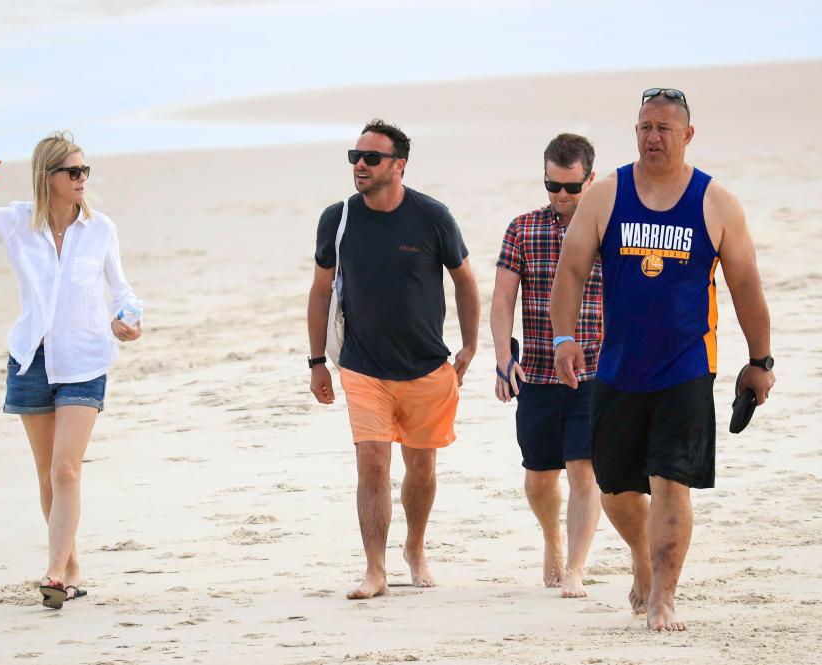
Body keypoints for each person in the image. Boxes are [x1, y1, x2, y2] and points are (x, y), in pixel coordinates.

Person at [550, 89, 775, 630]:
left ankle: (662, 599)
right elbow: (572, 269)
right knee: (616, 491)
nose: (653, 136)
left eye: (665, 129)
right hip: (619, 368)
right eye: (645, 126)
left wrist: (760, 360)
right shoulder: (606, 195)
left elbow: (745, 284)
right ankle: (643, 554)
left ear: (687, 135)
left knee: (672, 480)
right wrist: (563, 339)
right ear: (635, 131)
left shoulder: (714, 202)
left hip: (688, 367)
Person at [0, 132, 143, 609]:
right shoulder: (15, 222)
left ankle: (52, 572)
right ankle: (70, 567)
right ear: (46, 178)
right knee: (47, 473)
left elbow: (123, 292)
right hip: (31, 360)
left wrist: (130, 322)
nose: (82, 180)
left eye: (85, 171)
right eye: (73, 172)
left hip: (85, 360)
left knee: (66, 469)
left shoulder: (100, 229)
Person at [307, 119, 480, 600]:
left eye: (371, 158)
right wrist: (317, 360)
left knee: (421, 469)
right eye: (354, 157)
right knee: (373, 463)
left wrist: (469, 345)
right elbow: (321, 290)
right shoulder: (337, 219)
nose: (359, 165)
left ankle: (416, 550)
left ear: (398, 165)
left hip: (427, 365)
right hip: (363, 366)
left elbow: (465, 280)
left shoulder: (432, 217)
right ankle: (375, 569)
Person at [491, 133, 602, 598]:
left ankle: (575, 568)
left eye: (572, 188)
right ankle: (552, 540)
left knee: (583, 469)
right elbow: (501, 299)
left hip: (595, 371)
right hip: (534, 371)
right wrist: (502, 359)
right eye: (552, 186)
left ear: (590, 180)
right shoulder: (522, 229)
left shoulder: (609, 230)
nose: (561, 196)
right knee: (539, 476)